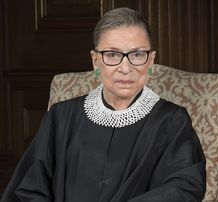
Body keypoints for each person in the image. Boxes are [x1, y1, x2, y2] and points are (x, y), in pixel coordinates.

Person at [1, 7, 206, 202]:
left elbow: (183, 188)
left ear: (150, 60)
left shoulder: (171, 121)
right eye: (112, 55)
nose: (125, 68)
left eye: (137, 54)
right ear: (95, 60)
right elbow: (28, 189)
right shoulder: (61, 117)